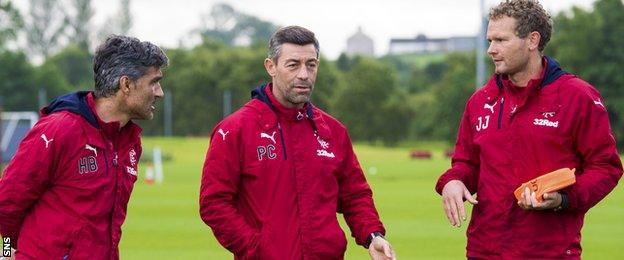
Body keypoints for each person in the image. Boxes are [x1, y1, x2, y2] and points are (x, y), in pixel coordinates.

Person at [436, 0, 623, 259]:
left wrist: (564, 199)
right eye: (490, 40)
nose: (491, 49)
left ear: (532, 40)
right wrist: (454, 181)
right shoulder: (480, 101)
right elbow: (467, 164)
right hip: (483, 251)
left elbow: (606, 167)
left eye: (501, 40)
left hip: (549, 252)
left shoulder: (577, 97)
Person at [199, 25, 395, 260]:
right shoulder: (234, 130)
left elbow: (355, 195)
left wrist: (373, 236)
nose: (304, 74)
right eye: (293, 65)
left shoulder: (334, 131)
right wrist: (256, 249)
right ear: (271, 67)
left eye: (310, 65)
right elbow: (214, 203)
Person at [0, 35, 168, 259]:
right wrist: (6, 251)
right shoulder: (58, 130)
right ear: (126, 84)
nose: (159, 92)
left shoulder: (130, 143)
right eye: (153, 82)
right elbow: (6, 205)